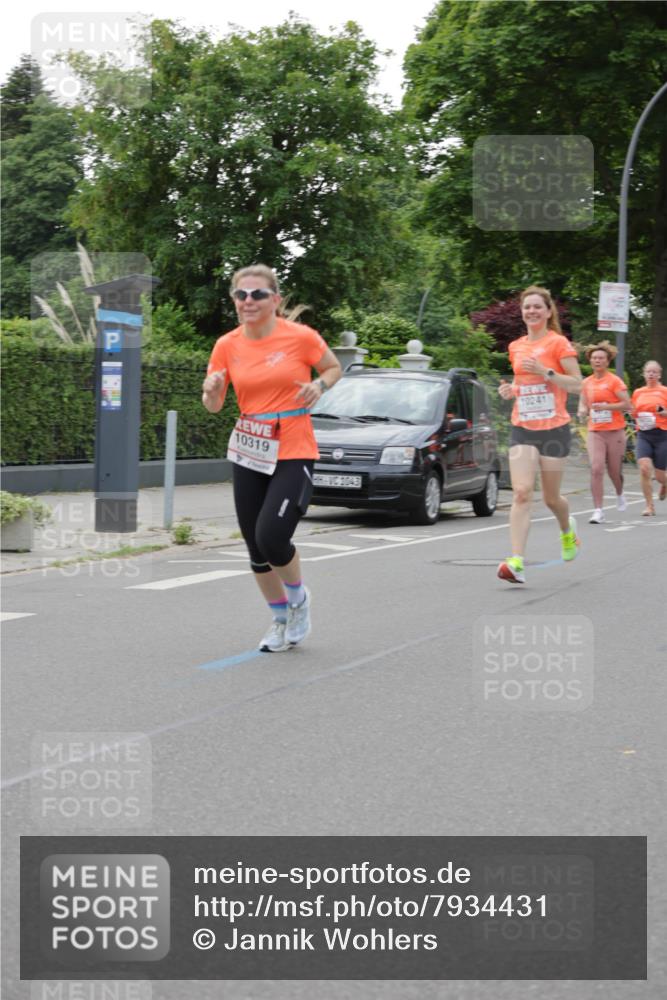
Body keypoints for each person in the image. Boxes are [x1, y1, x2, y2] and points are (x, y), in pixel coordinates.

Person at [202, 264, 342, 651]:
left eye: (258, 294)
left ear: (275, 300)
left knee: (272, 536)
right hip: (250, 448)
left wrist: (319, 384)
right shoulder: (226, 345)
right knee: (254, 547)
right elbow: (213, 405)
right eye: (240, 295)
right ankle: (279, 620)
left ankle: (298, 600)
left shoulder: (300, 338)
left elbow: (333, 367)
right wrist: (212, 389)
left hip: (293, 445)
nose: (248, 301)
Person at [497, 285, 583, 584]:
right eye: (526, 307)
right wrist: (511, 390)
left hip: (554, 428)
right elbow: (523, 384)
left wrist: (547, 371)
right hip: (522, 426)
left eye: (537, 306)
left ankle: (567, 531)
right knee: (521, 492)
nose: (531, 311)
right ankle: (516, 561)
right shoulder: (516, 346)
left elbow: (577, 385)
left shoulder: (558, 343)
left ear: (548, 312)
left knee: (551, 498)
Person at [577, 341, 630, 523]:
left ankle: (620, 493)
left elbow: (627, 404)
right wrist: (582, 411)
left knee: (614, 471)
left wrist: (608, 406)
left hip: (615, 431)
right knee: (596, 468)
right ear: (590, 361)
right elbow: (583, 402)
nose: (597, 361)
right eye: (594, 358)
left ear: (608, 362)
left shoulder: (615, 381)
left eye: (601, 358)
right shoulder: (586, 382)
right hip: (595, 431)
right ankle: (598, 510)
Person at [630, 360, 667, 516]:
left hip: (662, 434)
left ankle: (664, 483)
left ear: (659, 375)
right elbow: (633, 412)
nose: (651, 374)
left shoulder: (665, 391)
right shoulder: (638, 392)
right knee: (644, 468)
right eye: (648, 371)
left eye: (654, 372)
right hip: (644, 434)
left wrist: (663, 412)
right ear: (644, 374)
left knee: (659, 475)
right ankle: (649, 506)